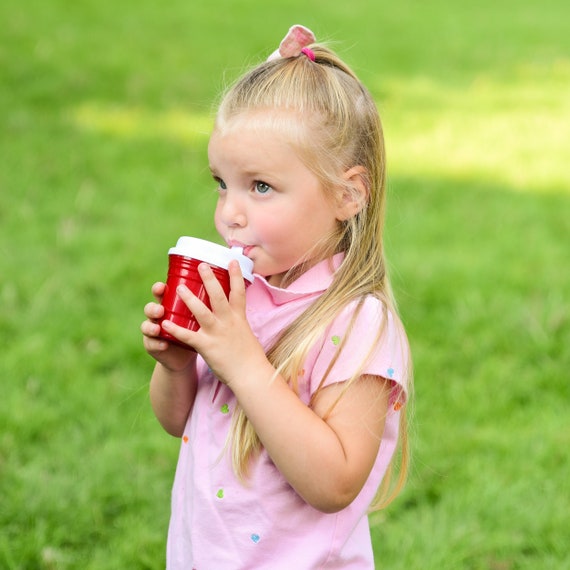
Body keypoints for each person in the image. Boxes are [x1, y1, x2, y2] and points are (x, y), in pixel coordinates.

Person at [141, 24, 412, 570]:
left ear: (347, 194)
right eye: (222, 182)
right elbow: (179, 423)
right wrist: (176, 367)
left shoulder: (357, 323)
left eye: (260, 186)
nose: (230, 212)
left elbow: (334, 482)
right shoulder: (243, 296)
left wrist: (242, 360)